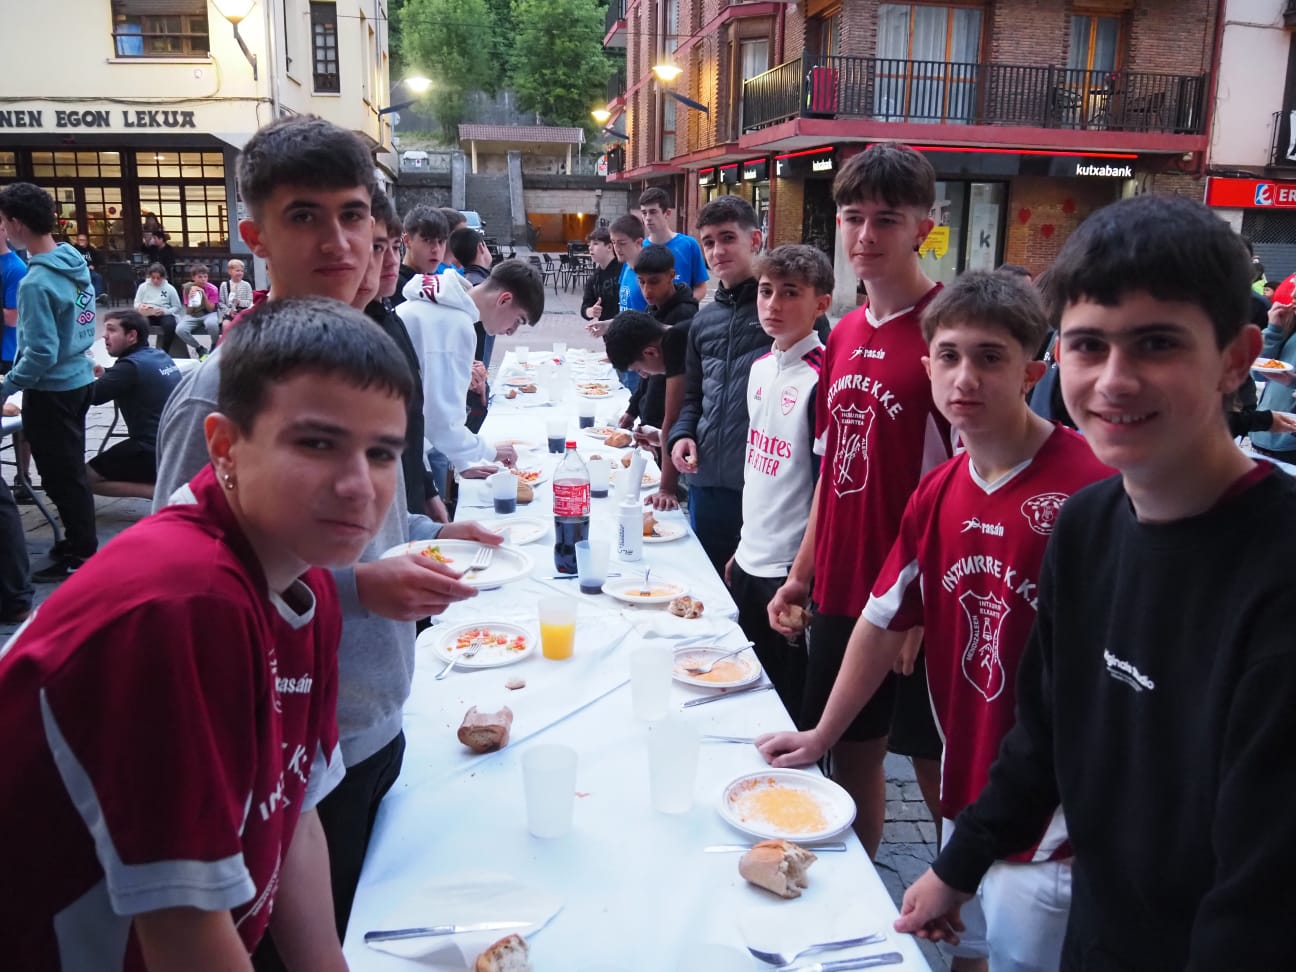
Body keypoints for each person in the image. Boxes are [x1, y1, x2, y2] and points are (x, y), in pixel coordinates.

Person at [894, 192, 1296, 971]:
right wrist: (959, 863)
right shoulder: (1084, 524)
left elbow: (1266, 888)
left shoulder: (1276, 574)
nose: (1115, 381)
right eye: (1088, 345)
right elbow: (1043, 732)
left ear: (1237, 357)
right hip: (1095, 932)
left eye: (1156, 344)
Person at [152, 115, 495, 961]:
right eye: (304, 216)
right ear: (255, 237)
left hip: (371, 715)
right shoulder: (221, 391)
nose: (337, 243)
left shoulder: (362, 355)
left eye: (351, 215)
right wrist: (361, 588)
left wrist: (430, 528)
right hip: (283, 752)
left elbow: (359, 521)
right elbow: (182, 584)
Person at [0, 296, 416, 969]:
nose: (357, 486)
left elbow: (296, 807)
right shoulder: (182, 606)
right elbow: (181, 928)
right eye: (316, 443)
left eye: (381, 453)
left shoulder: (303, 574)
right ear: (223, 447)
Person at [759, 271, 1112, 971]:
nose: (965, 377)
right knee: (964, 952)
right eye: (949, 356)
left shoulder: (1093, 487)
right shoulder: (939, 490)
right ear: (927, 369)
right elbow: (881, 620)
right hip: (969, 798)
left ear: (1033, 370)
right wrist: (822, 733)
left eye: (990, 357)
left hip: (1058, 828)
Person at [764, 144, 948, 858]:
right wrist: (801, 574)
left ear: (923, 227)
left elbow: (967, 481)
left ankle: (963, 913)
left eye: (886, 219)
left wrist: (922, 609)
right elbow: (830, 470)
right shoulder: (841, 332)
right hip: (844, 589)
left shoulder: (946, 331)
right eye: (852, 217)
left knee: (940, 778)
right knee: (850, 761)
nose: (866, 235)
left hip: (916, 598)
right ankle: (859, 898)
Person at [667, 195, 831, 574]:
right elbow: (693, 396)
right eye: (708, 242)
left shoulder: (790, 315)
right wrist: (682, 435)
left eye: (728, 238)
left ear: (755, 240)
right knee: (707, 588)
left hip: (767, 493)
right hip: (707, 483)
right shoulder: (703, 322)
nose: (717, 251)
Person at [725, 244, 833, 718]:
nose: (773, 304)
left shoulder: (823, 378)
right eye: (766, 291)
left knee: (789, 708)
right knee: (745, 695)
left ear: (821, 303)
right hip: (750, 558)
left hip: (789, 571)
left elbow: (826, 488)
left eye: (790, 293)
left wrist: (800, 576)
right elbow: (760, 468)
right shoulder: (760, 368)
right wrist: (743, 546)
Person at [0, 182, 100, 582]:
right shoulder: (73, 260)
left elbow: (40, 352)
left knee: (61, 476)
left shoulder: (35, 282)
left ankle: (80, 552)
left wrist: (7, 385)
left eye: (3, 222)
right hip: (78, 379)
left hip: (53, 389)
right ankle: (79, 543)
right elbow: (82, 318)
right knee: (70, 470)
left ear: (17, 224)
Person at [395, 258, 545, 491]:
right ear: (504, 299)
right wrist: (490, 451)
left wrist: (463, 459)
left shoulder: (438, 306)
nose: (511, 331)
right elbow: (440, 420)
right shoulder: (456, 323)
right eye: (518, 321)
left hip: (399, 438)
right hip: (394, 449)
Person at [366, 191, 448, 522]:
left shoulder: (388, 313)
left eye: (392, 248)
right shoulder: (387, 311)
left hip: (408, 498)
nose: (389, 260)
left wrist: (427, 490)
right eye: (376, 248)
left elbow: (408, 415)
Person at [623, 243, 697, 508]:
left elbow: (677, 384)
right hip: (652, 414)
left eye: (653, 282)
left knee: (669, 492)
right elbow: (647, 373)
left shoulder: (684, 316)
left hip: (669, 416)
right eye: (641, 282)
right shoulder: (651, 310)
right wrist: (633, 409)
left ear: (671, 275)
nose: (647, 291)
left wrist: (668, 488)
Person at [85, 308, 182, 499]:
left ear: (131, 336)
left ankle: (162, 494)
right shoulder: (158, 355)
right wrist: (106, 373)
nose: (104, 336)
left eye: (112, 330)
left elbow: (90, 396)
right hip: (175, 443)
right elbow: (126, 377)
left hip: (151, 447)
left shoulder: (129, 367)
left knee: (84, 477)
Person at [448, 226, 494, 430]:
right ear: (481, 247)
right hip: (473, 380)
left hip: (470, 376)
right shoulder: (480, 288)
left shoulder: (464, 284)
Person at [639, 186, 709, 301]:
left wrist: (687, 305)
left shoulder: (689, 245)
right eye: (644, 213)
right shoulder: (639, 248)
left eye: (653, 212)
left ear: (667, 213)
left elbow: (701, 286)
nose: (648, 218)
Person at [391, 205, 449, 308]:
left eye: (441, 242)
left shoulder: (440, 285)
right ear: (407, 241)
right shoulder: (394, 286)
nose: (436, 249)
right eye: (427, 240)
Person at [133, 262, 184, 355]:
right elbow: (136, 303)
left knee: (170, 325)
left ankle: (164, 350)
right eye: (153, 278)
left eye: (158, 278)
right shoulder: (143, 287)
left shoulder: (170, 288)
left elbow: (177, 307)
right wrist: (140, 306)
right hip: (148, 313)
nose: (155, 280)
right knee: (140, 324)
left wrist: (165, 311)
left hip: (163, 313)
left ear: (163, 277)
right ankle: (145, 348)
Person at [177, 264, 221, 358]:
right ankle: (199, 348)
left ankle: (214, 345)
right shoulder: (188, 288)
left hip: (208, 314)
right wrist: (190, 299)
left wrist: (204, 295)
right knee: (180, 329)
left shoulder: (213, 289)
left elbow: (211, 309)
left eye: (205, 276)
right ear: (193, 277)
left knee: (212, 324)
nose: (203, 279)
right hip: (193, 314)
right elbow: (189, 312)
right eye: (200, 277)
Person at [581, 226, 621, 328]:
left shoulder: (624, 269)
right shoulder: (594, 279)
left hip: (627, 328)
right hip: (607, 332)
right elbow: (584, 308)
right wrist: (591, 311)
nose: (590, 248)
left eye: (595, 244)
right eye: (589, 244)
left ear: (609, 247)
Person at [219, 258, 256, 329]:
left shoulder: (247, 285)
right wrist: (229, 312)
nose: (240, 273)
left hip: (244, 313)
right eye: (237, 270)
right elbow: (221, 303)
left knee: (246, 326)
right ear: (230, 271)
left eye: (242, 271)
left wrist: (239, 302)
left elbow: (250, 302)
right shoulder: (224, 285)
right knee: (226, 325)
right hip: (230, 313)